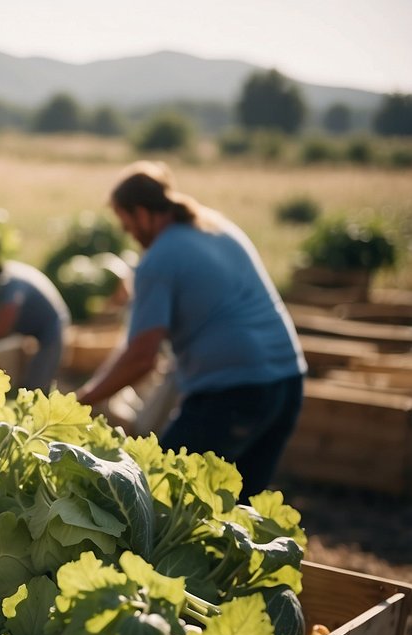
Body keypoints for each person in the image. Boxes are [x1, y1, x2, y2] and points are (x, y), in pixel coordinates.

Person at [75, 161, 307, 497]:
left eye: (128, 226)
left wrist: (83, 400)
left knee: (156, 494)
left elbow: (142, 358)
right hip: (287, 383)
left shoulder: (159, 261)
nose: (131, 236)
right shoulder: (217, 226)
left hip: (235, 393)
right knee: (237, 510)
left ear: (141, 213)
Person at [0, 259, 70, 391]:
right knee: (34, 380)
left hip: (53, 327)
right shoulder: (10, 272)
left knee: (37, 385)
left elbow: (2, 327)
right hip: (44, 327)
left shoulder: (11, 283)